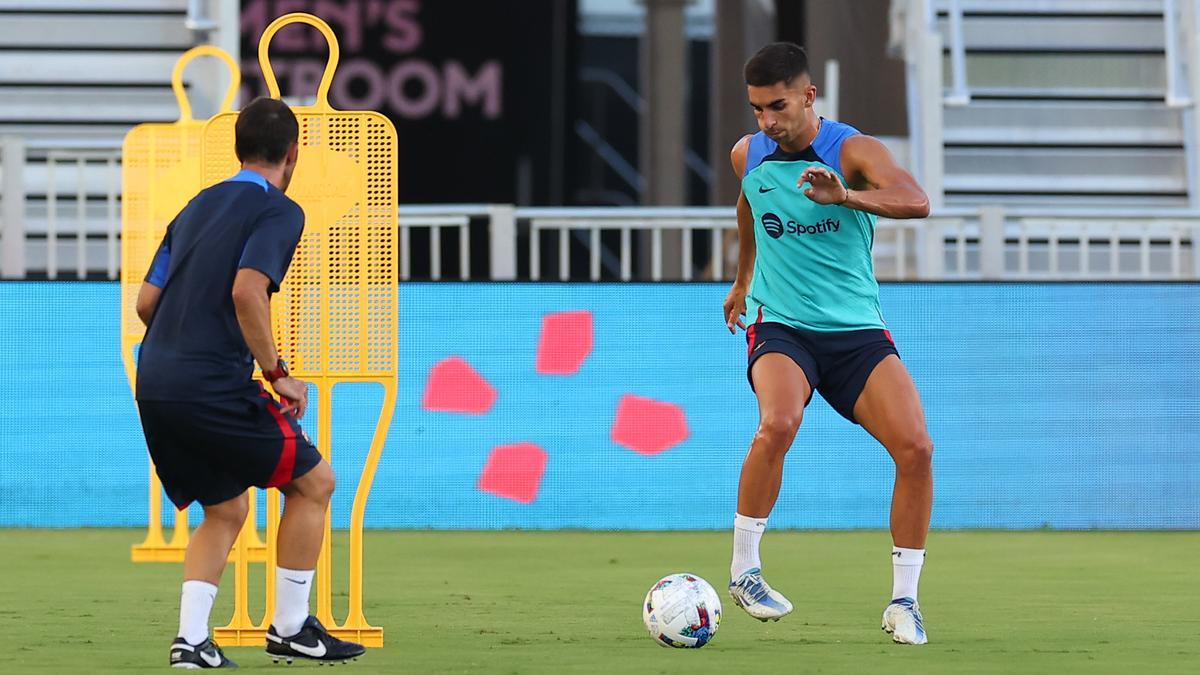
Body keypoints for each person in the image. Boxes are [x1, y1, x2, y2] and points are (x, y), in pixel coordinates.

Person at [135, 97, 366, 667]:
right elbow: (246, 291)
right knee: (315, 484)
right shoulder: (280, 211)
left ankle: (191, 641)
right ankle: (290, 627)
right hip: (210, 384)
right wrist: (278, 374)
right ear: (294, 154)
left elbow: (147, 303)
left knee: (226, 508)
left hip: (156, 379)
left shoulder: (195, 206)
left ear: (237, 149)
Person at [722, 42, 934, 645]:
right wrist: (742, 281)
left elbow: (916, 201)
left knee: (916, 449)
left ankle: (904, 602)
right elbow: (749, 204)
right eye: (758, 108)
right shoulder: (748, 154)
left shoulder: (854, 150)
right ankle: (744, 571)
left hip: (856, 332)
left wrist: (846, 197)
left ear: (809, 96)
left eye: (778, 106)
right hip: (781, 323)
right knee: (779, 422)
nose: (767, 121)